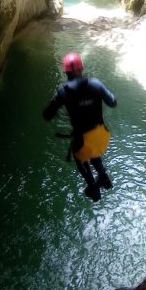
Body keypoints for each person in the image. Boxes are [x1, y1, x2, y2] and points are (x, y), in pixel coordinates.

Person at [42, 52, 117, 201]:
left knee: (80, 156)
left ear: (66, 72)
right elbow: (113, 102)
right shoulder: (96, 84)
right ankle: (103, 177)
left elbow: (47, 115)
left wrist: (60, 102)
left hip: (83, 142)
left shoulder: (64, 91)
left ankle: (93, 188)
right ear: (81, 68)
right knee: (93, 150)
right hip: (102, 137)